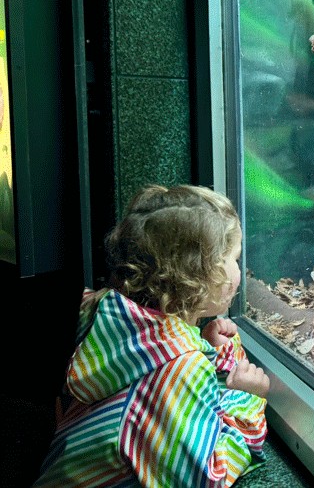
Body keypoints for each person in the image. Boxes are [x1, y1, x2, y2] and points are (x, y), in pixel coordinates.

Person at [34, 184, 270, 487]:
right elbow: (208, 477)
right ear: (203, 276)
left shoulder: (106, 311)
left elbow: (152, 385)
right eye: (234, 259)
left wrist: (206, 348)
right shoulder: (177, 367)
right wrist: (247, 399)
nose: (240, 269)